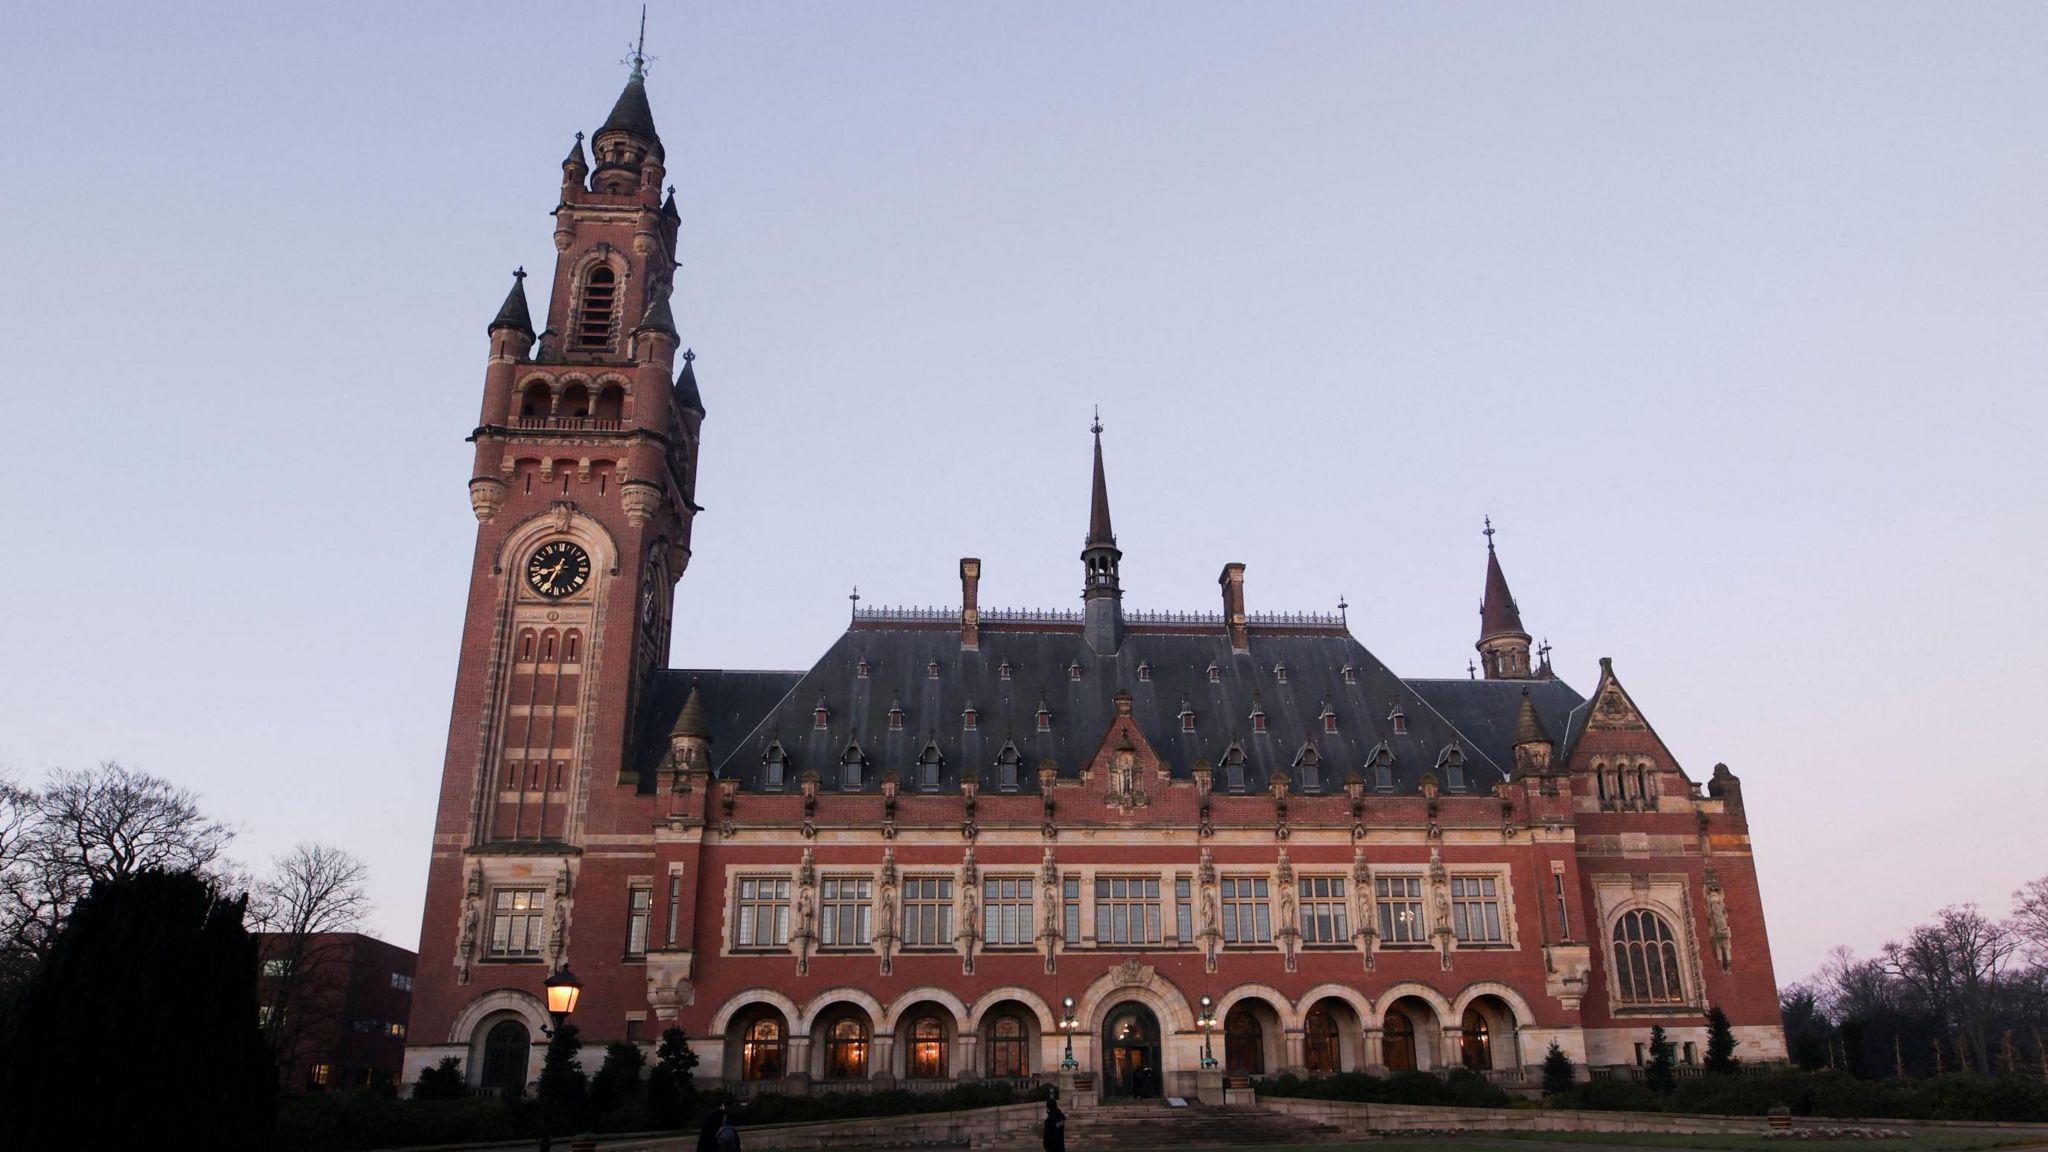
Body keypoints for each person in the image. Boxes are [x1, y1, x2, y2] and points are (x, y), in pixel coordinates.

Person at [1042, 1088, 1066, 1152]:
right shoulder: (1059, 1116)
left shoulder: (1051, 1120)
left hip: (1055, 1146)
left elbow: (1047, 1136)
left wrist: (1053, 1126)